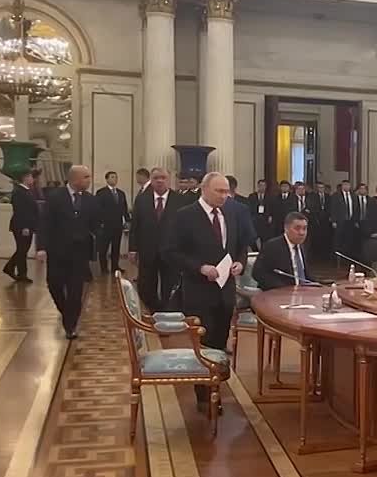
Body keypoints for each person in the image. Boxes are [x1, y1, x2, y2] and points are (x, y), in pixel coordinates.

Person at [163, 172, 247, 411]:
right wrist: (200, 267)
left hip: (225, 290)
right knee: (205, 344)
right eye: (219, 191)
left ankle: (215, 386)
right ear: (204, 189)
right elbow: (170, 252)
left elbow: (240, 245)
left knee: (219, 343)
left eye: (227, 191)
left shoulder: (230, 213)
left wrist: (240, 262)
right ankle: (205, 396)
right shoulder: (185, 216)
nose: (224, 196)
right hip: (199, 291)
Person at [37, 165, 100, 339]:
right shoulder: (55, 197)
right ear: (74, 179)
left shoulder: (90, 200)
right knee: (54, 285)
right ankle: (66, 312)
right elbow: (44, 223)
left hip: (79, 254)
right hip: (57, 252)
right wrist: (41, 247)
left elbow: (96, 224)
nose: (89, 180)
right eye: (86, 177)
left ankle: (70, 326)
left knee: (75, 291)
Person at [129, 167, 180, 311]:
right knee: (146, 286)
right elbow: (135, 225)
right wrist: (133, 249)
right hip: (147, 249)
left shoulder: (180, 200)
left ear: (169, 180)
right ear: (151, 180)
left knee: (170, 284)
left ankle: (167, 311)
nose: (160, 181)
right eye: (156, 178)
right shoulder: (142, 199)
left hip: (171, 251)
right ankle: (154, 310)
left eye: (163, 178)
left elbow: (185, 227)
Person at [253, 212, 314, 290]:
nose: (302, 233)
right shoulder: (272, 246)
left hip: (303, 292)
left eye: (304, 228)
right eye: (297, 228)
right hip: (280, 292)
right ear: (286, 228)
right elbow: (258, 273)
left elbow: (305, 275)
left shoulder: (302, 246)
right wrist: (283, 288)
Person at [3, 171, 39, 283]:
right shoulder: (19, 192)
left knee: (23, 249)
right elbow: (20, 211)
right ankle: (19, 272)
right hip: (22, 225)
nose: (33, 179)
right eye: (31, 177)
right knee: (22, 249)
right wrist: (25, 227)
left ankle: (14, 270)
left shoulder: (26, 191)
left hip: (27, 225)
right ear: (25, 178)